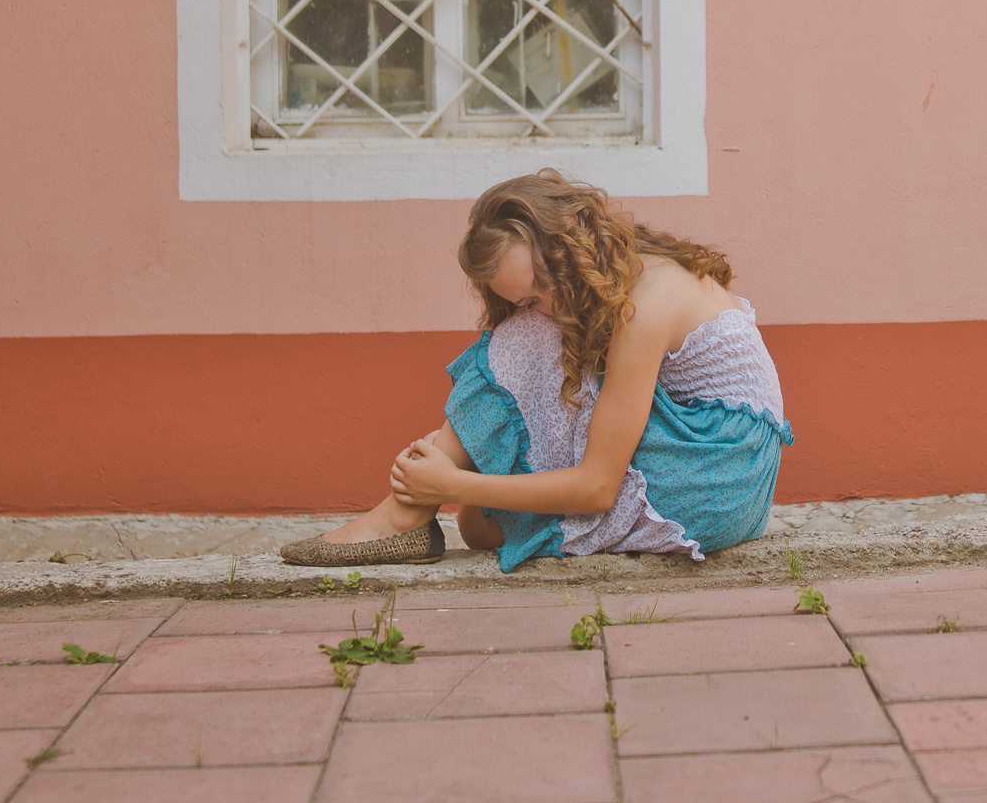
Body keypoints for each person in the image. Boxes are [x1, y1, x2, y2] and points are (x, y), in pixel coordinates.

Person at [279, 170, 794, 572]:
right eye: (525, 300)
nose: (544, 307)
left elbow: (597, 488)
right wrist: (462, 466)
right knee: (479, 530)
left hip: (712, 475)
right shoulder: (622, 266)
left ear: (570, 246)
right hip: (729, 483)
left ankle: (403, 514)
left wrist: (451, 482)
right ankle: (422, 498)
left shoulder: (645, 304)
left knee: (526, 339)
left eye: (544, 288)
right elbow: (482, 528)